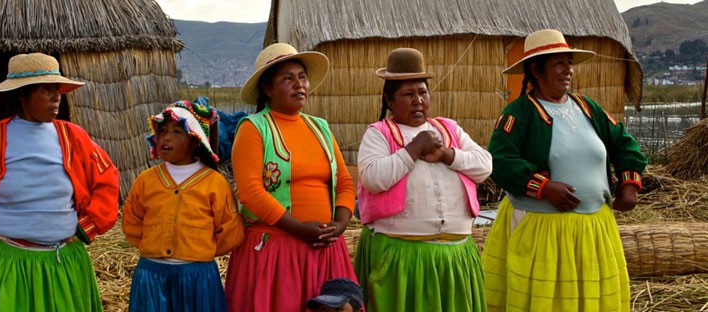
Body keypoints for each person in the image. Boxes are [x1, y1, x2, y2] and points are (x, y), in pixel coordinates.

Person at [0, 52, 120, 311]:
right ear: (22, 94)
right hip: (4, 262)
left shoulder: (74, 138)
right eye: (46, 89)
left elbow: (107, 178)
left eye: (57, 88)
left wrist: (90, 224)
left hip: (62, 263)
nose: (56, 96)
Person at [482, 29, 648, 311]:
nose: (568, 70)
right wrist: (543, 187)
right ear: (536, 69)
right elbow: (500, 160)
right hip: (544, 230)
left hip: (594, 229)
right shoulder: (519, 113)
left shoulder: (587, 107)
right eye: (559, 63)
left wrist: (629, 184)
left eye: (569, 62)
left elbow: (624, 143)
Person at [354, 47, 493, 311]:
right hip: (402, 257)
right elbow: (373, 178)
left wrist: (446, 155)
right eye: (408, 94)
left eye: (422, 92)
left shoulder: (448, 129)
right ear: (390, 100)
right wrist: (413, 150)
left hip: (455, 256)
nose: (418, 100)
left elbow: (484, 165)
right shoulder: (379, 134)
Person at [224, 42, 358, 312]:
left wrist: (341, 224)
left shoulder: (319, 127)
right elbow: (251, 192)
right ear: (268, 89)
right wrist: (299, 229)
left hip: (325, 249)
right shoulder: (254, 128)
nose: (299, 84)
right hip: (276, 251)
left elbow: (343, 182)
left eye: (302, 77)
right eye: (288, 78)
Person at [122, 100, 244, 312]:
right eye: (162, 131)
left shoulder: (214, 183)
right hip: (152, 274)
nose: (166, 137)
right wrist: (152, 247)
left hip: (196, 277)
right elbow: (132, 221)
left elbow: (230, 231)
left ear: (195, 140)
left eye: (177, 131)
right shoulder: (146, 180)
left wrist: (198, 252)